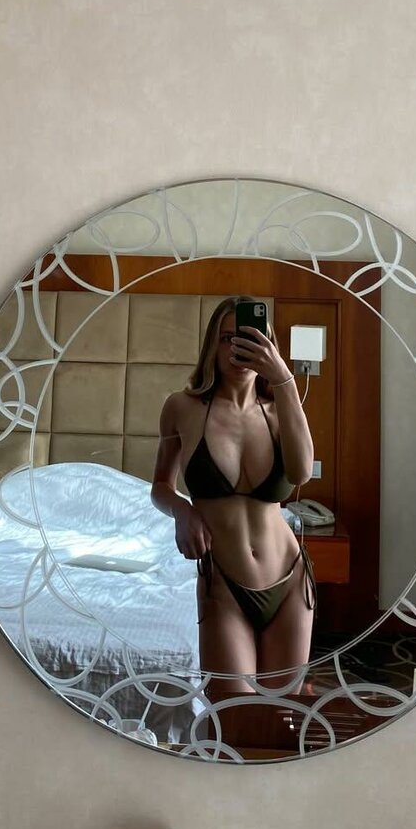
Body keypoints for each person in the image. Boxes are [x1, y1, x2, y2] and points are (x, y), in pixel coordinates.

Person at [151, 296, 317, 699]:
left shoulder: (280, 410)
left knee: (283, 713)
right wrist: (182, 511)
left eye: (250, 338)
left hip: (289, 577)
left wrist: (284, 380)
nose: (237, 349)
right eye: (227, 338)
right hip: (223, 582)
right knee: (232, 711)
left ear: (269, 345)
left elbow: (300, 474)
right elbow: (160, 487)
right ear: (212, 344)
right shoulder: (182, 408)